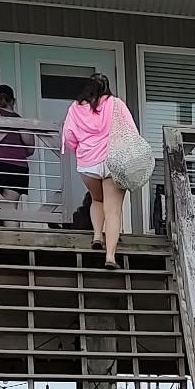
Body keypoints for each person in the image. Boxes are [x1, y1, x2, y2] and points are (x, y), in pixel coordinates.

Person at [58, 73, 135, 269]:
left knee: (96, 200)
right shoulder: (116, 104)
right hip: (113, 161)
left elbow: (68, 137)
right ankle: (110, 256)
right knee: (113, 211)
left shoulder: (75, 108)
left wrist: (79, 147)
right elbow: (131, 132)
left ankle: (97, 236)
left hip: (88, 164)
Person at [0, 85, 32, 214]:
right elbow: (30, 148)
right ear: (13, 101)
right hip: (18, 168)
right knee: (11, 209)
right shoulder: (22, 121)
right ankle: (13, 234)